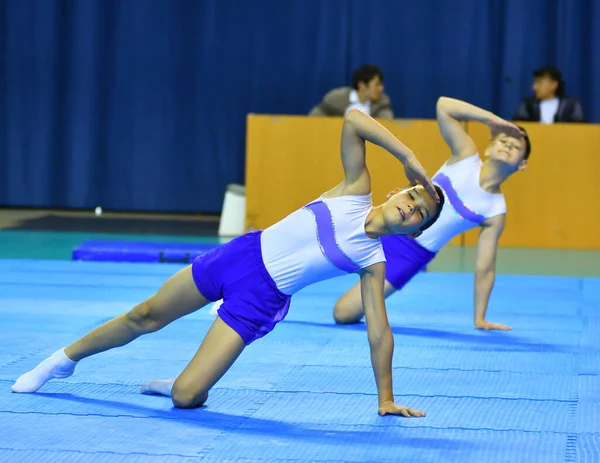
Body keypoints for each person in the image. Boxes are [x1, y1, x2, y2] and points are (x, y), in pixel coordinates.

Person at [12, 109, 444, 418]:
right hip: (238, 257)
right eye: (412, 196)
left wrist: (385, 398)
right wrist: (408, 157)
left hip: (260, 299)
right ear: (396, 191)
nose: (411, 208)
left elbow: (379, 332)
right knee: (145, 315)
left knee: (185, 397)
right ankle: (59, 362)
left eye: (420, 213)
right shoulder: (355, 188)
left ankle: (183, 381)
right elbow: (352, 119)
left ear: (416, 232)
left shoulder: (373, 262)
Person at [333, 97, 531, 331]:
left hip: (410, 255)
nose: (508, 145)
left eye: (516, 146)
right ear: (489, 146)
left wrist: (480, 318)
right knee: (323, 254)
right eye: (503, 139)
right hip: (388, 221)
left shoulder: (495, 210)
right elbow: (443, 106)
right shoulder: (466, 156)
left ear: (522, 165)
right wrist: (494, 120)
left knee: (343, 314)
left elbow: (485, 267)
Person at [309, 64, 394, 119]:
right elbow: (314, 118)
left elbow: (387, 124)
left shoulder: (382, 104)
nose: (381, 88)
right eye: (377, 84)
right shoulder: (336, 98)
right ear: (362, 85)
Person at [513, 66, 584, 123]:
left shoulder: (570, 104)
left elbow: (579, 125)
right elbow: (519, 123)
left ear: (554, 85)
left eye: (539, 83)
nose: (534, 87)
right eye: (534, 83)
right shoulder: (528, 104)